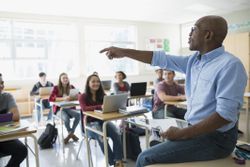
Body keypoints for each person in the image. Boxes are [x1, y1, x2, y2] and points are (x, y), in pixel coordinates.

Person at [100, 15, 247, 167]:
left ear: (207, 35)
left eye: (193, 29)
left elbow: (225, 116)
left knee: (144, 158)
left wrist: (181, 134)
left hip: (217, 139)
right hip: (196, 130)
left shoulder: (230, 65)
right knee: (155, 149)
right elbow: (158, 58)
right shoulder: (194, 61)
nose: (189, 34)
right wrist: (123, 52)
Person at [78, 74, 124, 167]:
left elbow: (107, 106)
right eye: (93, 81)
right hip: (89, 124)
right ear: (88, 83)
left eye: (98, 81)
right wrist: (99, 106)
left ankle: (118, 161)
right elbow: (84, 109)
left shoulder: (102, 95)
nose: (96, 83)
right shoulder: (82, 96)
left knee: (117, 133)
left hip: (103, 121)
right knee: (101, 137)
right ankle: (113, 163)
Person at [0, 73, 28, 167]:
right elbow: (12, 116)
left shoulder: (7, 96)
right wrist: (7, 117)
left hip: (6, 137)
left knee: (22, 150)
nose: (1, 85)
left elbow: (16, 116)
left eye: (2, 82)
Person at [49, 72, 80, 144]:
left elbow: (80, 95)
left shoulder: (71, 87)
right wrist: (64, 98)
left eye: (66, 78)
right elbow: (51, 98)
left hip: (69, 109)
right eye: (63, 78)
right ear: (60, 80)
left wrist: (73, 97)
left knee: (78, 115)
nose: (65, 79)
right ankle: (71, 134)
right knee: (66, 119)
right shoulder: (56, 88)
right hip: (59, 110)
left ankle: (70, 134)